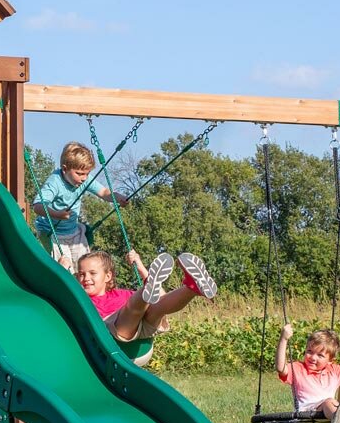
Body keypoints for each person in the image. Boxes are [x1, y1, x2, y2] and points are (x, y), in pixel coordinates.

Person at [77, 248, 217, 368]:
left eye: (92, 273)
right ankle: (149, 285)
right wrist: (62, 268)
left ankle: (192, 287)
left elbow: (162, 297)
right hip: (114, 340)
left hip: (143, 338)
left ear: (108, 276)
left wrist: (140, 266)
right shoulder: (81, 300)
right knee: (132, 308)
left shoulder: (122, 294)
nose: (85, 278)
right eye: (81, 274)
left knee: (158, 306)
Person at [33, 142, 128, 270]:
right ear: (65, 168)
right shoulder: (55, 182)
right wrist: (57, 214)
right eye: (79, 174)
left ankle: (84, 289)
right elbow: (38, 206)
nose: (84, 178)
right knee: (65, 269)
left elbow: (104, 192)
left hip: (72, 231)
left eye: (87, 174)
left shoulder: (84, 180)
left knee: (84, 267)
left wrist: (118, 198)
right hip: (52, 232)